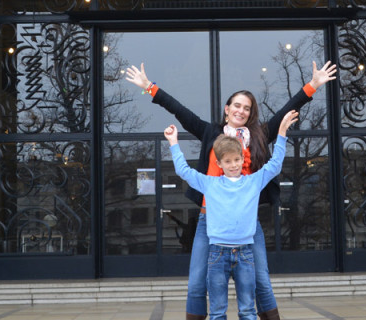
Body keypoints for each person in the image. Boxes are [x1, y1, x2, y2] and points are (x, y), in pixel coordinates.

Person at [126, 61, 336, 320]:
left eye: (247, 108)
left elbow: (285, 112)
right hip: (208, 222)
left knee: (262, 282)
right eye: (236, 105)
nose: (241, 110)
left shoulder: (258, 135)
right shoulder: (209, 132)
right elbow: (178, 109)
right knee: (196, 285)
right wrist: (149, 87)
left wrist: (313, 85)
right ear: (227, 109)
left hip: (247, 225)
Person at [163, 110, 298, 320]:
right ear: (219, 164)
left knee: (247, 310)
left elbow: (276, 164)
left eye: (237, 160)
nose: (233, 165)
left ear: (243, 158)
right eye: (228, 161)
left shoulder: (253, 181)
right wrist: (173, 143)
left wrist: (281, 132)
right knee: (217, 312)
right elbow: (183, 171)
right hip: (217, 254)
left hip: (245, 254)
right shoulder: (210, 184)